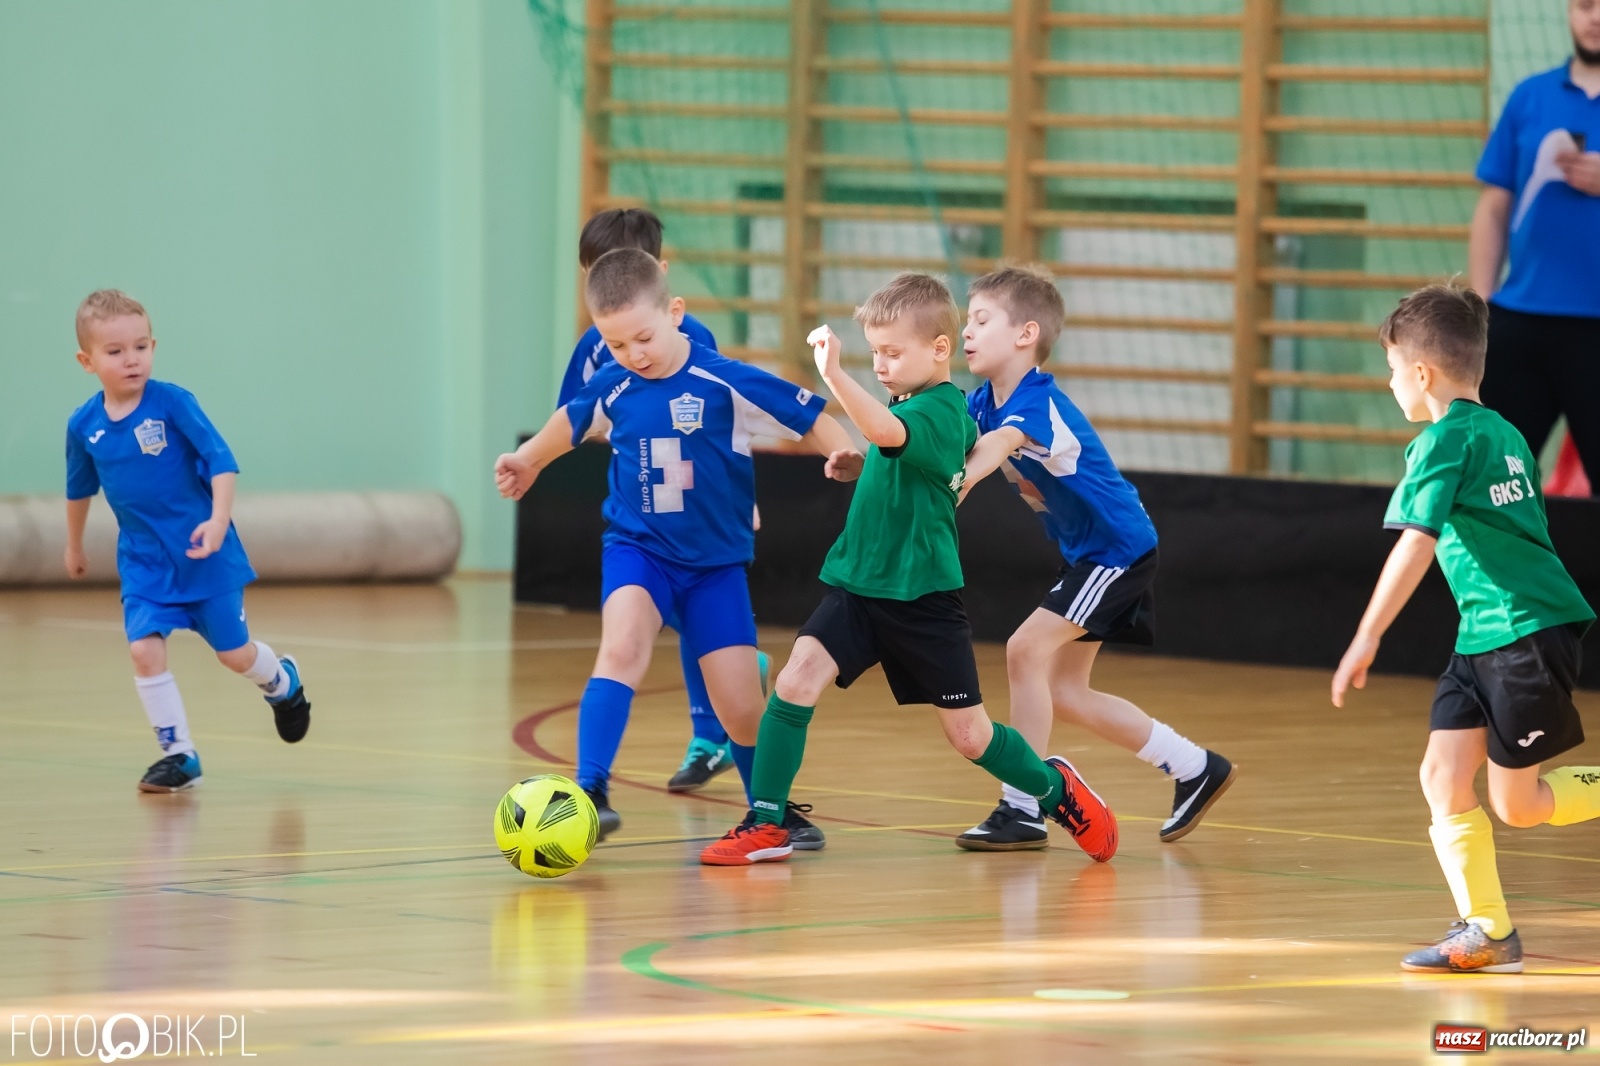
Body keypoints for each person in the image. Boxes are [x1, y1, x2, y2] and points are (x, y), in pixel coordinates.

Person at [699, 272, 1119, 867]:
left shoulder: (945, 409)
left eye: (892, 353)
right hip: (859, 586)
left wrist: (835, 375)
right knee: (794, 682)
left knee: (970, 737)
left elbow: (892, 434)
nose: (880, 365)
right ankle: (767, 822)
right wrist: (863, 466)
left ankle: (1057, 792)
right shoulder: (906, 402)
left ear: (939, 349)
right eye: (874, 353)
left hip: (921, 601)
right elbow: (896, 453)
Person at [496, 249, 857, 843]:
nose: (633, 354)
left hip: (715, 570)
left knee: (741, 708)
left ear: (675, 313)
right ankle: (590, 792)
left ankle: (770, 812)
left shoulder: (725, 380)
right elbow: (569, 422)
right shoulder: (614, 385)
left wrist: (841, 452)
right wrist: (528, 459)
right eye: (616, 345)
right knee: (621, 649)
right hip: (639, 552)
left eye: (642, 338)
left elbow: (811, 416)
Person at [1333, 284, 1600, 974]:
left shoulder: (1442, 441)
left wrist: (1367, 634)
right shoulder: (1505, 433)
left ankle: (1489, 929)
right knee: (1441, 773)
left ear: (1421, 373)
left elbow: (1417, 541)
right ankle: (1489, 932)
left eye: (1392, 369)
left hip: (1522, 632)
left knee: (1520, 806)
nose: (1390, 383)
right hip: (1485, 634)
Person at [956, 265, 1236, 851]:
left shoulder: (1035, 405)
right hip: (1094, 552)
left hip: (1116, 551)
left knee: (1023, 650)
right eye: (966, 321)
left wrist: (955, 485)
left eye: (981, 320)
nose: (966, 331)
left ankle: (1022, 806)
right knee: (1065, 692)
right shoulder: (982, 403)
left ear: (1026, 334)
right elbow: (944, 438)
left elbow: (997, 446)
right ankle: (1195, 766)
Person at [63, 290, 311, 793]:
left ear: (153, 346)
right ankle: (179, 756)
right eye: (115, 351)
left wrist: (218, 520)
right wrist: (74, 545)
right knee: (143, 651)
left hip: (205, 557)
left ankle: (282, 681)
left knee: (233, 656)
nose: (132, 359)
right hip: (144, 565)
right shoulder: (83, 426)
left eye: (141, 347)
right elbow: (78, 489)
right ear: (87, 362)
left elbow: (222, 462)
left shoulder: (173, 403)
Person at [559, 207, 752, 793]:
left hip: (704, 515)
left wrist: (747, 500)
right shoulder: (597, 347)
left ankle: (712, 737)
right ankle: (594, 783)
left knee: (701, 625)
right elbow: (571, 419)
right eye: (598, 275)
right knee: (628, 635)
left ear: (658, 276)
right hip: (640, 509)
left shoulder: (695, 342)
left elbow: (728, 426)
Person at [1469, 0, 1600, 486]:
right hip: (1522, 322)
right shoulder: (1529, 97)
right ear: (1569, 11)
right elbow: (1493, 206)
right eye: (1586, 4)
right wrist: (1482, 305)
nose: (1596, 17)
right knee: (1491, 486)